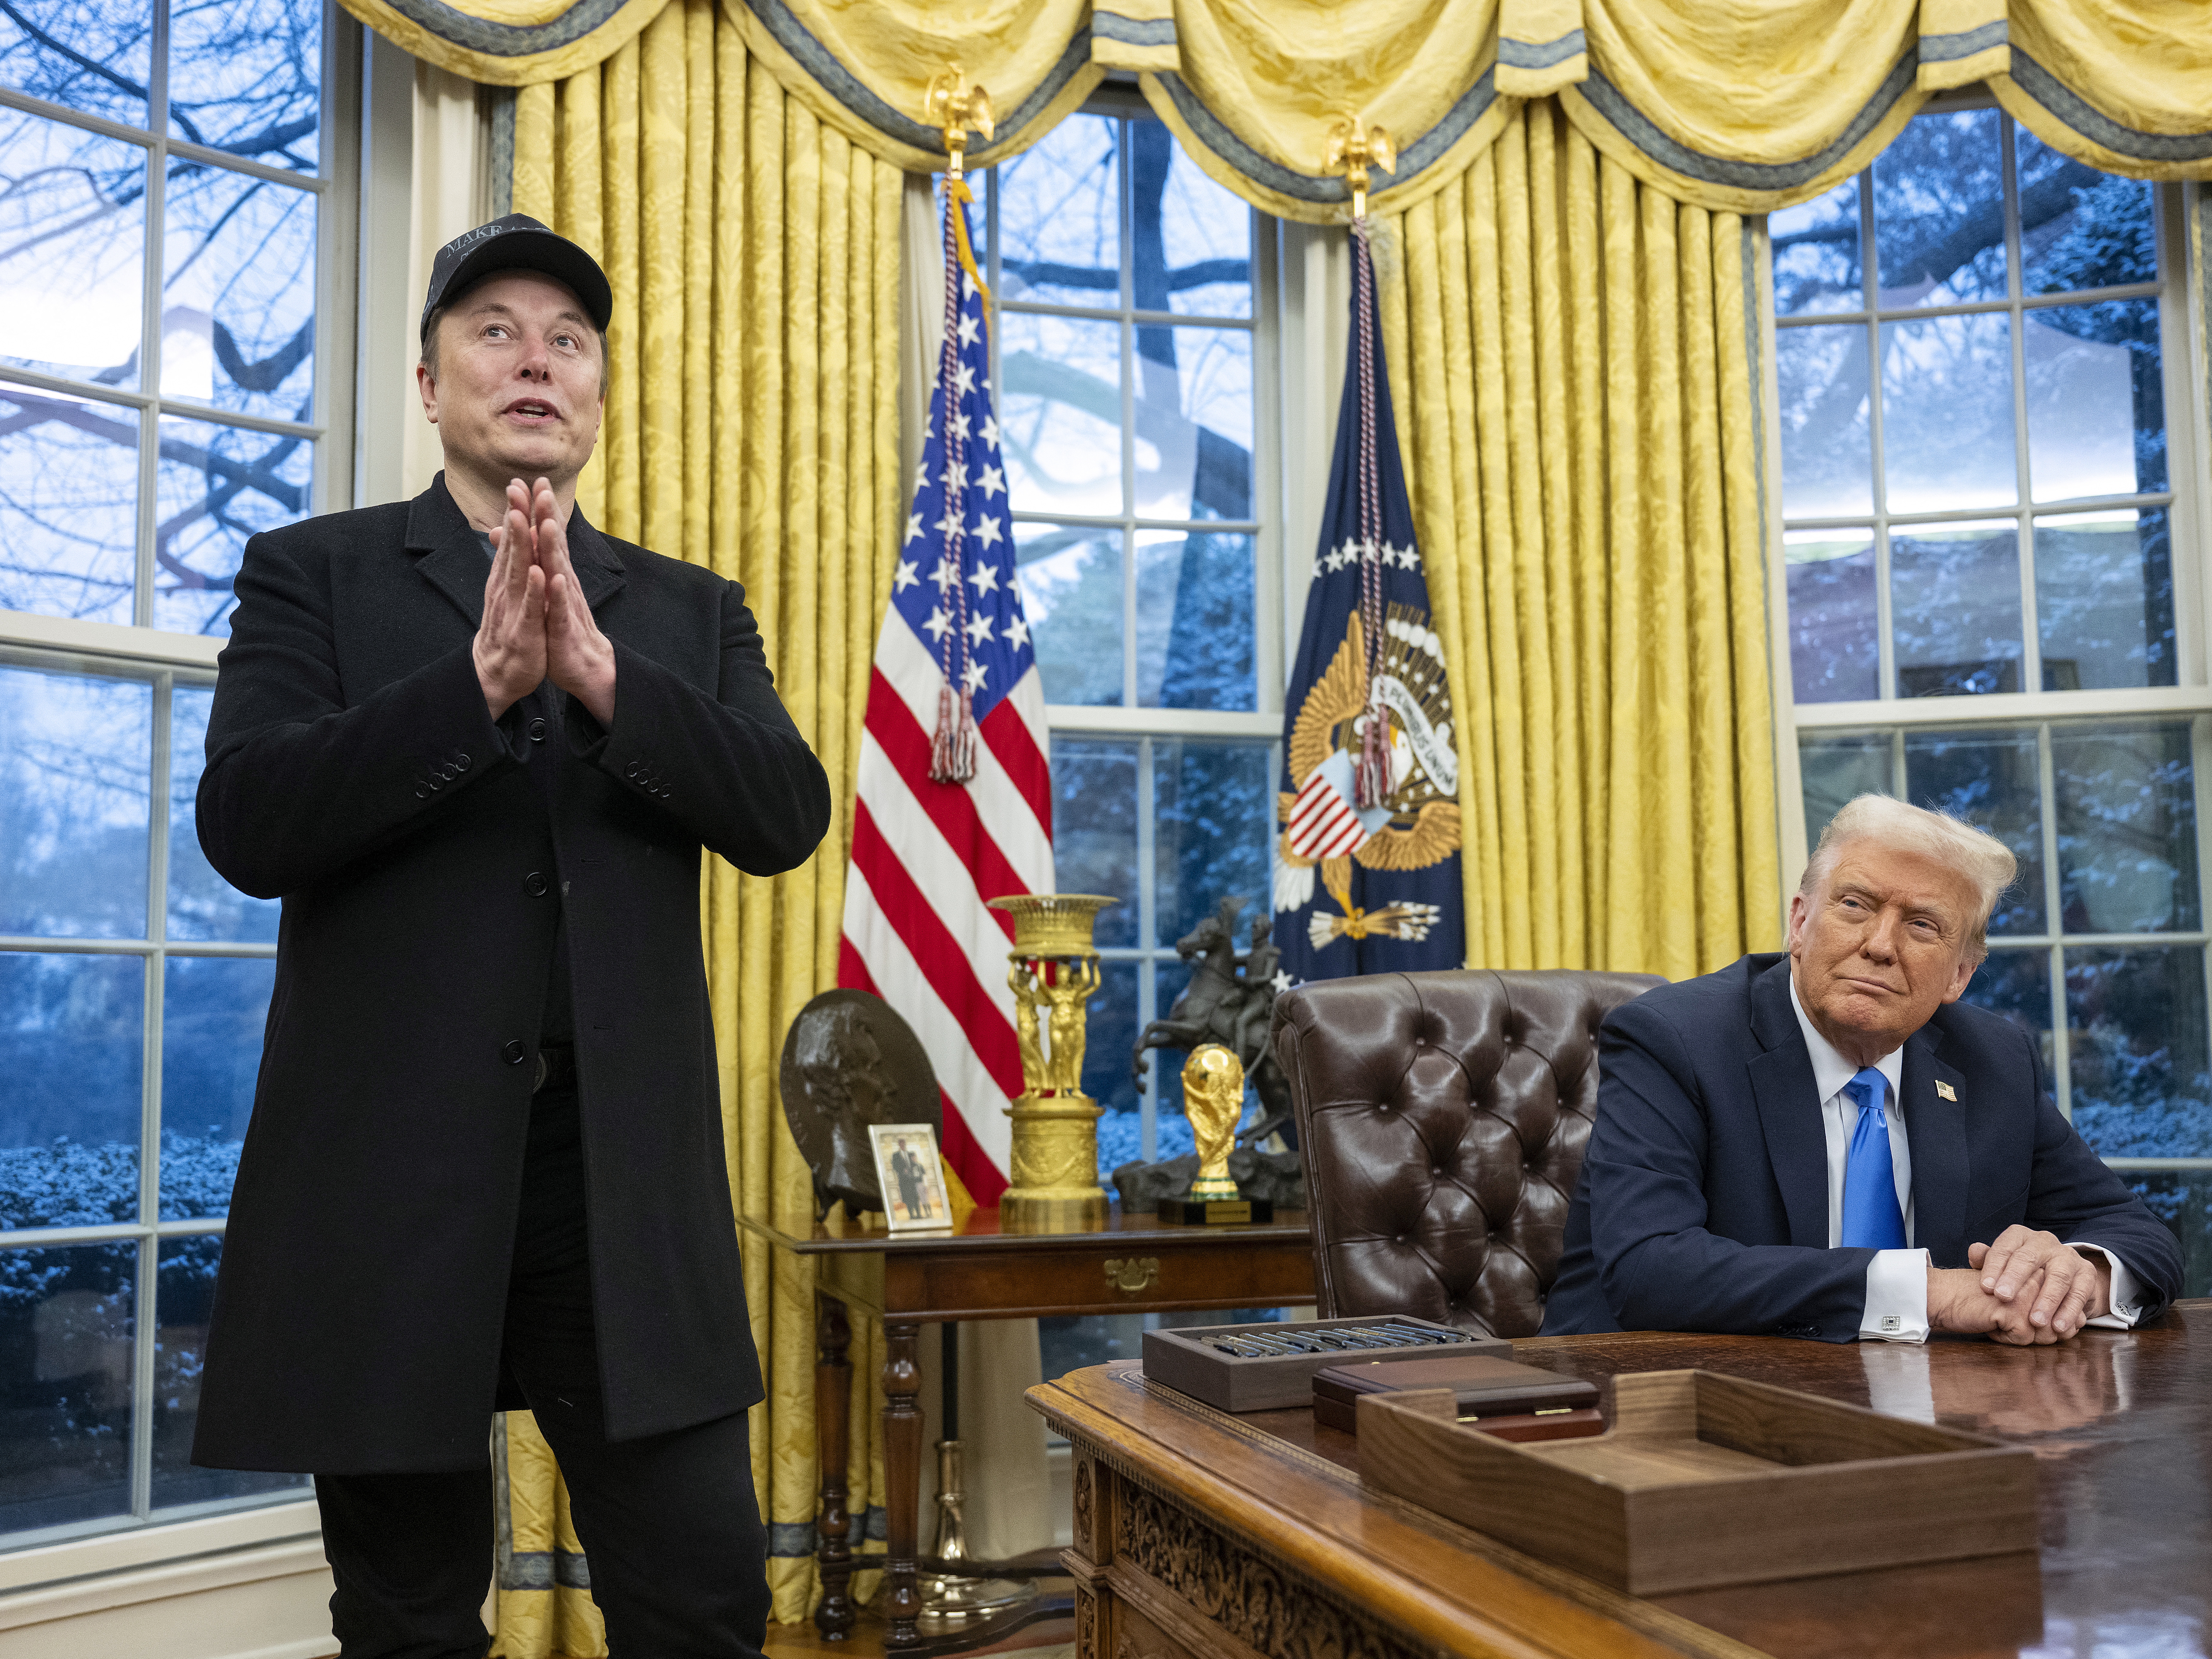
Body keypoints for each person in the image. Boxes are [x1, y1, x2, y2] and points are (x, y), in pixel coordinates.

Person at [191, 214, 831, 1657]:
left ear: (598, 391)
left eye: (569, 336)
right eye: (494, 329)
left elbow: (784, 814)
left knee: (703, 1600)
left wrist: (605, 680)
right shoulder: (314, 576)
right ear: (428, 385)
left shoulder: (689, 610)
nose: (535, 358)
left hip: (618, 1183)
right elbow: (246, 822)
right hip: (386, 1180)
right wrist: (473, 689)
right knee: (409, 1620)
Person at [1543, 794, 2183, 1345]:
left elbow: (2137, 1233)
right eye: (1854, 904)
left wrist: (2077, 1276)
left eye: (1921, 925)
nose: (1879, 945)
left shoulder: (1991, 1059)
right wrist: (1928, 1293)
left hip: (1924, 1416)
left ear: (1959, 974)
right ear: (1800, 921)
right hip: (1657, 1411)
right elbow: (1650, 1269)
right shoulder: (1675, 1039)